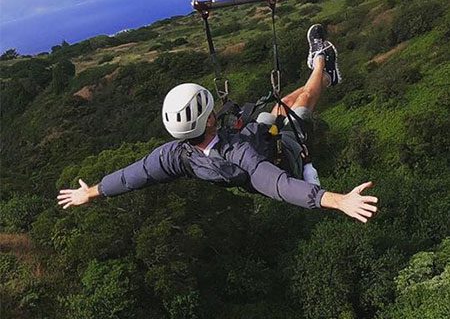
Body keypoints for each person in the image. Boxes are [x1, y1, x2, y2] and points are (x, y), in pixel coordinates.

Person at [57, 25, 378, 223]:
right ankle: (324, 60)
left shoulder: (176, 155)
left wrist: (93, 192)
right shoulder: (240, 156)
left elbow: (133, 176)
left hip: (257, 136)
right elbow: (282, 186)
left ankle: (320, 70)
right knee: (304, 100)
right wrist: (339, 201)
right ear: (210, 119)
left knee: (282, 103)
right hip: (282, 153)